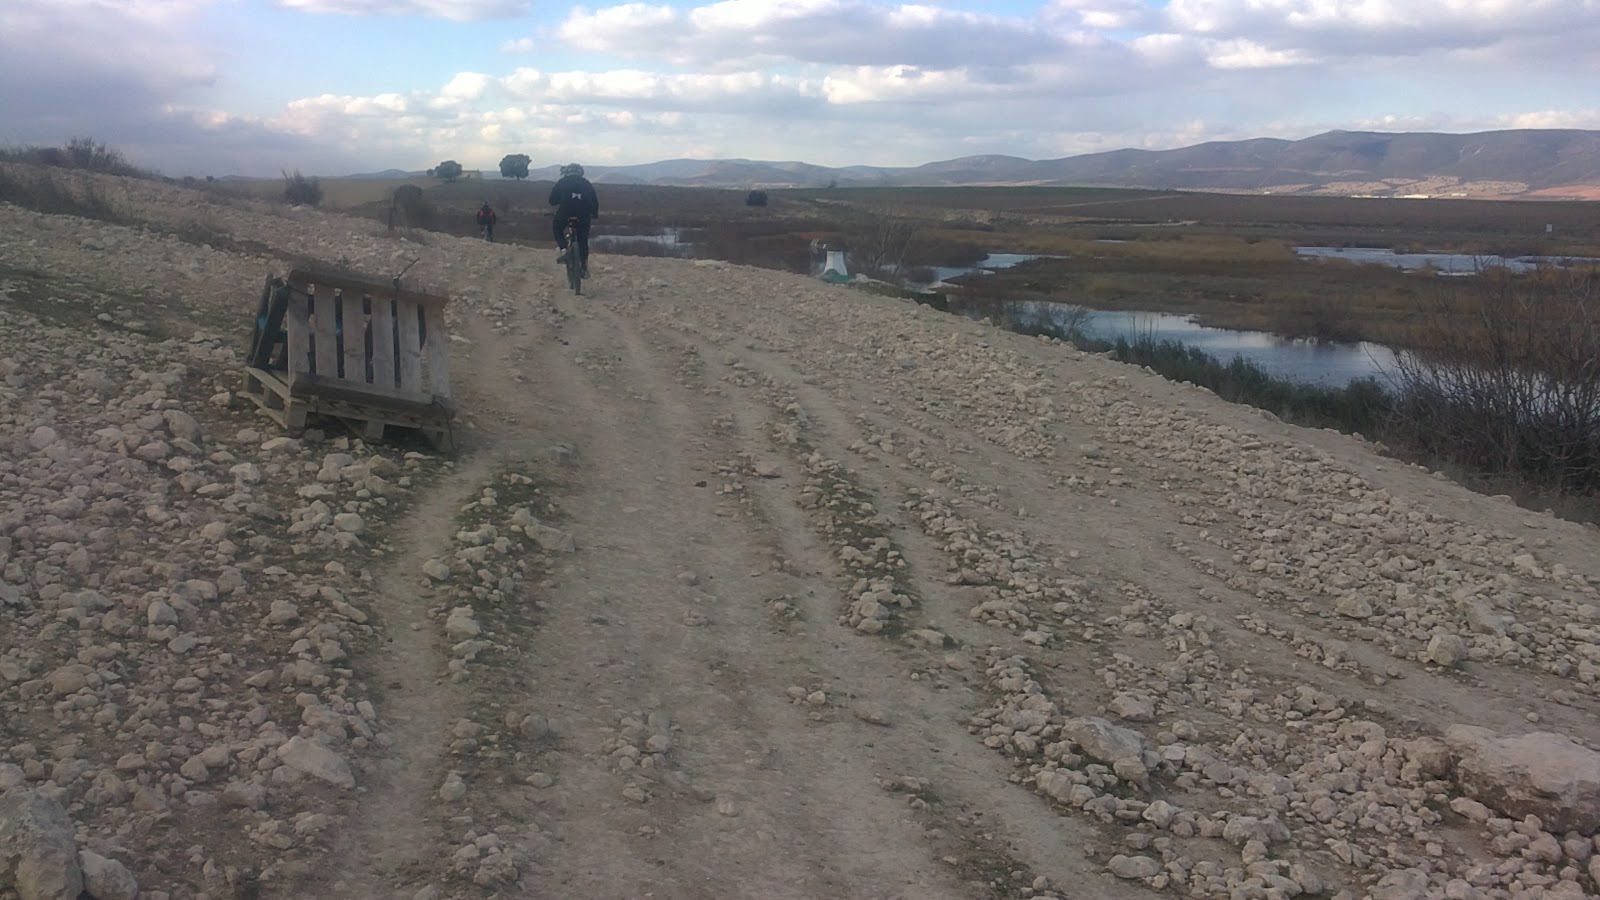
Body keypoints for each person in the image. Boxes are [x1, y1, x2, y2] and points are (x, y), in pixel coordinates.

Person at [549, 163, 599, 277]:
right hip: (583, 214)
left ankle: (563, 249)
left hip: (565, 212)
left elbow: (552, 200)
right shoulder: (586, 183)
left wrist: (562, 199)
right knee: (583, 240)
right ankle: (584, 268)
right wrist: (594, 214)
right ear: (581, 173)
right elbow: (594, 201)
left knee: (557, 228)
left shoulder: (562, 181)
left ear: (567, 172)